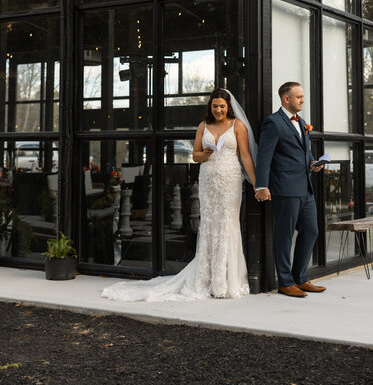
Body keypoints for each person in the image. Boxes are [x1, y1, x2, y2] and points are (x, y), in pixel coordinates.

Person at [101, 88, 257, 302]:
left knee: (227, 223)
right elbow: (195, 155)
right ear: (210, 107)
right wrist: (206, 153)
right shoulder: (204, 126)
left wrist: (257, 183)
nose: (218, 110)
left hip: (230, 178)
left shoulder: (237, 126)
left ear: (228, 107)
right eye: (215, 106)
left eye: (222, 106)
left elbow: (246, 156)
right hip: (208, 178)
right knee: (210, 223)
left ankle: (226, 281)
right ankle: (207, 278)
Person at [255, 82, 326, 298]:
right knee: (284, 235)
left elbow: (303, 153)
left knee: (312, 229)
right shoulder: (273, 123)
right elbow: (264, 156)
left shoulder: (302, 122)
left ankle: (300, 277)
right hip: (284, 188)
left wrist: (313, 163)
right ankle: (285, 282)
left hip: (305, 187)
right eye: (299, 97)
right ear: (286, 99)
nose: (303, 100)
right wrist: (261, 185)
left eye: (303, 96)